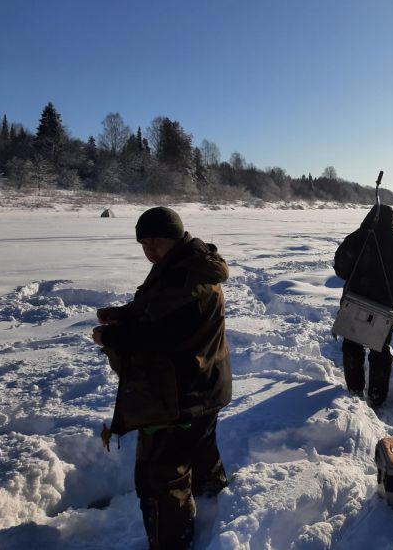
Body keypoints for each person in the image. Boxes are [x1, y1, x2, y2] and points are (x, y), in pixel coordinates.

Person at [93, 207, 232, 550]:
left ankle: (172, 542)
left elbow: (161, 334)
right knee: (201, 451)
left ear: (176, 236)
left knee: (160, 478)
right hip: (201, 386)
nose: (150, 248)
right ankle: (217, 507)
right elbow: (159, 307)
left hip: (177, 394)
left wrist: (109, 337)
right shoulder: (184, 264)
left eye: (157, 240)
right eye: (144, 242)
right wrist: (124, 314)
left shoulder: (188, 277)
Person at [334, 204, 393, 407]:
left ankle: (355, 390)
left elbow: (341, 269)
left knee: (352, 344)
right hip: (386, 306)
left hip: (356, 300)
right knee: (380, 349)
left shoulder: (356, 238)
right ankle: (377, 396)